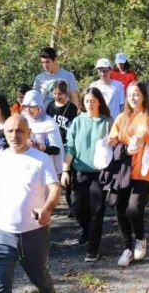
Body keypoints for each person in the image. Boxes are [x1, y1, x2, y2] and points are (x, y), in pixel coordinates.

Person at [0, 115, 61, 293]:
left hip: (33, 232)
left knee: (40, 278)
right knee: (0, 285)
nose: (14, 135)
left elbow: (55, 188)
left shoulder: (41, 159)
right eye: (10, 131)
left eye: (20, 131)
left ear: (28, 133)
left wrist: (47, 209)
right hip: (1, 233)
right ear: (4, 133)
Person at [106, 82, 149, 267]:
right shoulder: (122, 118)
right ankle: (127, 248)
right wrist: (110, 141)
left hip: (142, 170)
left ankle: (140, 238)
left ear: (144, 96)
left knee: (133, 209)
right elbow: (113, 139)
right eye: (130, 94)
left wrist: (143, 142)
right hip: (123, 170)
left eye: (136, 94)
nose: (133, 98)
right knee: (120, 208)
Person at [61, 88, 113, 262]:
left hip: (100, 174)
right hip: (80, 172)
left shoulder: (108, 122)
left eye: (93, 100)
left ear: (99, 102)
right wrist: (66, 170)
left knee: (97, 212)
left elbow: (115, 146)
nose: (90, 104)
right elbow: (70, 148)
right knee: (77, 208)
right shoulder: (77, 121)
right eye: (87, 101)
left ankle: (93, 249)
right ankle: (86, 230)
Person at [45, 80, 79, 212]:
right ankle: (50, 202)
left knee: (67, 174)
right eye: (54, 93)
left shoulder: (71, 108)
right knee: (52, 175)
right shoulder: (49, 106)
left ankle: (72, 204)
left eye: (60, 94)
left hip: (66, 145)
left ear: (66, 94)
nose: (57, 96)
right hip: (53, 145)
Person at [22, 90, 65, 176]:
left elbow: (56, 150)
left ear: (39, 106)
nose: (29, 110)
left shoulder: (49, 123)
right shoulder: (23, 121)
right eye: (26, 106)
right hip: (26, 167)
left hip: (45, 169)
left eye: (32, 106)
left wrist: (43, 148)